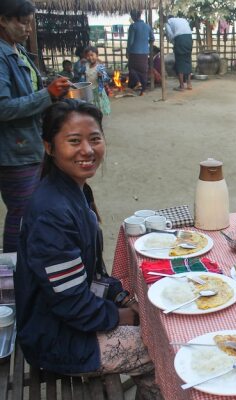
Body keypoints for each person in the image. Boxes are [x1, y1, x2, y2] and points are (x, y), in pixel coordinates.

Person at [14, 99, 162, 399]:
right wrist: (126, 315)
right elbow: (71, 303)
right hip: (57, 338)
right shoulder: (51, 213)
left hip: (67, 318)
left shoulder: (74, 191)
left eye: (94, 139)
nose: (87, 150)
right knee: (162, 347)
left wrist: (119, 297)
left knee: (155, 313)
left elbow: (87, 277)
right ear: (49, 147)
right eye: (74, 141)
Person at [0, 0, 70, 252]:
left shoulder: (16, 50)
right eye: (22, 22)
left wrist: (51, 91)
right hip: (14, 151)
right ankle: (11, 277)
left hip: (29, 143)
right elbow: (4, 107)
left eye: (29, 22)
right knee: (20, 214)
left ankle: (30, 262)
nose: (28, 28)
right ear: (3, 20)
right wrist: (46, 96)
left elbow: (28, 92)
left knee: (32, 209)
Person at [126, 9, 153, 96]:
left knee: (132, 68)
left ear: (133, 16)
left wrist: (128, 51)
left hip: (134, 52)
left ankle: (137, 82)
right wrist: (145, 43)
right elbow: (152, 38)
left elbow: (130, 41)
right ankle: (143, 91)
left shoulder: (133, 26)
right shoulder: (147, 26)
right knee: (143, 71)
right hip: (144, 53)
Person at [164, 15, 192, 91]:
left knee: (180, 62)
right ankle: (189, 84)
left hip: (180, 39)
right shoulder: (183, 19)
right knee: (188, 60)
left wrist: (174, 44)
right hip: (189, 39)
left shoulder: (168, 22)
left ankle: (182, 86)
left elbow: (170, 35)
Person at [83, 46, 111, 116]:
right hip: (89, 91)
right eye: (87, 56)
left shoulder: (100, 67)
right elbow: (86, 77)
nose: (90, 57)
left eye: (92, 55)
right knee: (91, 109)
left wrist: (101, 76)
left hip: (98, 91)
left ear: (97, 55)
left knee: (99, 109)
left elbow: (107, 79)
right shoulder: (86, 65)